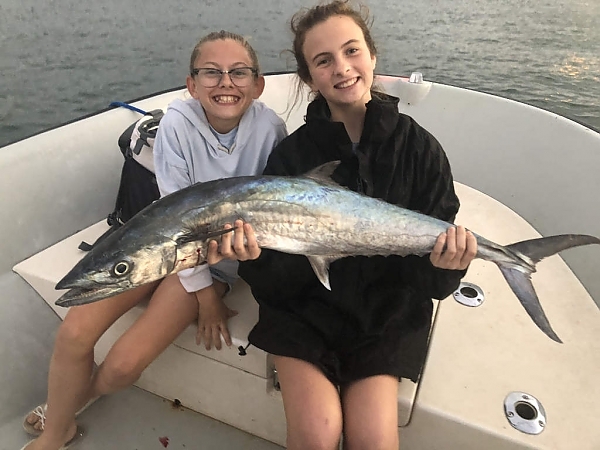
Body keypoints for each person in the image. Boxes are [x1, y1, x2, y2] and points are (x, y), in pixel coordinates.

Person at [21, 30, 287, 450]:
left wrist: (208, 292)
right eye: (211, 73)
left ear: (257, 84)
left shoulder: (271, 129)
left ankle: (77, 399)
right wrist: (205, 299)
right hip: (159, 241)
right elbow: (173, 215)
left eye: (238, 73)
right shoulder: (177, 124)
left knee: (125, 365)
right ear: (191, 84)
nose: (225, 83)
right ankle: (57, 433)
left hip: (215, 259)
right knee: (74, 334)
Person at [234, 2, 478, 449]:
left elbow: (431, 282)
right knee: (316, 433)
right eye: (323, 61)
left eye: (351, 51)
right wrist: (253, 256)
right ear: (308, 77)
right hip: (304, 310)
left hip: (384, 312)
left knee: (373, 441)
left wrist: (448, 265)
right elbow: (272, 284)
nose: (342, 68)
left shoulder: (420, 151)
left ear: (372, 56)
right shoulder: (291, 157)